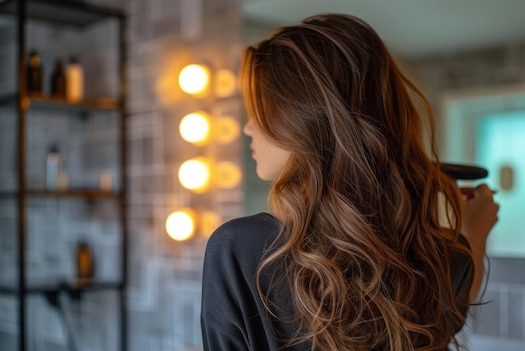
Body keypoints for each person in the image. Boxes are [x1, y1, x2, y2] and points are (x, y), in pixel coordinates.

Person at [201, 13, 499, 351]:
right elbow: (447, 317)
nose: (248, 128)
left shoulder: (241, 248)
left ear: (304, 118)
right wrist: (475, 234)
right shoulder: (438, 255)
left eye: (259, 111)